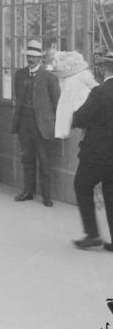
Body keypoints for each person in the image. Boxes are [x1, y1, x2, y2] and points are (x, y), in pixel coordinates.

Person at [71, 52, 113, 251]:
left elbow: (80, 118)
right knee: (111, 194)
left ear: (105, 67)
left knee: (81, 185)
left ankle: (92, 234)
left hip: (96, 154)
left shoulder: (100, 92)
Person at [11, 40, 60, 207]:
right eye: (28, 56)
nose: (30, 59)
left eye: (34, 57)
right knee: (27, 159)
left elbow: (56, 104)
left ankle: (46, 196)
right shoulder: (19, 74)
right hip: (24, 123)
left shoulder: (49, 77)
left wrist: (52, 125)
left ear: (40, 58)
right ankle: (28, 192)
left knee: (44, 161)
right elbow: (17, 98)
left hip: (43, 126)